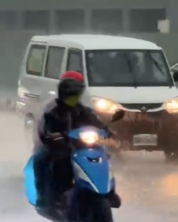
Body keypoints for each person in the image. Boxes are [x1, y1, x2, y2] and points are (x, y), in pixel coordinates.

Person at [33, 71, 121, 213]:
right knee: (41, 159)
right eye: (70, 94)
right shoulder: (52, 112)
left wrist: (110, 134)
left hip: (82, 147)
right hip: (60, 148)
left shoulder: (84, 111)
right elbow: (44, 130)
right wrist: (55, 137)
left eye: (76, 94)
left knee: (104, 158)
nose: (73, 98)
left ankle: (109, 191)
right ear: (62, 93)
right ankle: (47, 198)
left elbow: (98, 124)